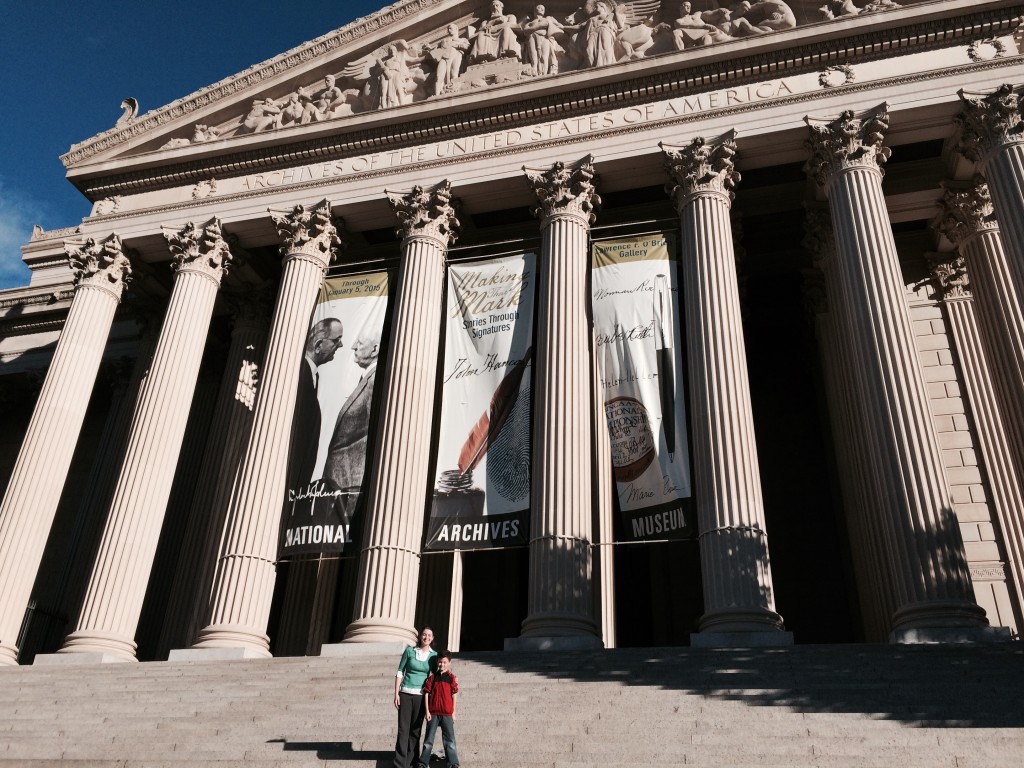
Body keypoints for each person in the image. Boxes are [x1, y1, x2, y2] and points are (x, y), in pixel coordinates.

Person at [323, 329, 381, 507]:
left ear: (375, 350)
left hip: (352, 487)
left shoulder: (374, 381)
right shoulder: (366, 380)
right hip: (342, 484)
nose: (352, 346)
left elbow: (376, 432)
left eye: (360, 343)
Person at [288, 318, 344, 490]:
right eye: (336, 340)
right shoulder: (297, 373)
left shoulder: (313, 376)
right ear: (319, 344)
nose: (340, 345)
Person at [394, 627, 438, 768]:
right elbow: (400, 671)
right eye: (424, 635)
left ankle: (412, 762)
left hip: (421, 696)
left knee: (416, 730)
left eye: (429, 635)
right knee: (403, 729)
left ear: (432, 638)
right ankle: (400, 763)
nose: (426, 637)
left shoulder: (434, 655)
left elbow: (433, 677)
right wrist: (396, 694)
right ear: (420, 636)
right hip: (405, 693)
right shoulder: (409, 651)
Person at [417, 651, 459, 768]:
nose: (442, 664)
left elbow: (454, 694)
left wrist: (454, 712)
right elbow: (426, 693)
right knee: (428, 740)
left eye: (445, 662)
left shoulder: (451, 678)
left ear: (449, 663)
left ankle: (453, 763)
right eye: (440, 662)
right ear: (437, 662)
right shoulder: (432, 677)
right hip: (433, 712)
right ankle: (423, 762)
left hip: (447, 713)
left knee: (450, 740)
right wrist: (427, 711)